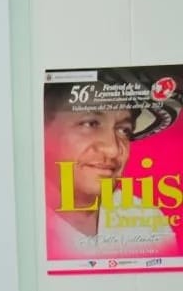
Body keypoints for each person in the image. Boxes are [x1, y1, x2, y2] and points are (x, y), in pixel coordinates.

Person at [42, 79, 179, 258]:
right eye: (90, 124)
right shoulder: (21, 221)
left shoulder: (146, 217)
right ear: (42, 131)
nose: (113, 150)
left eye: (124, 130)